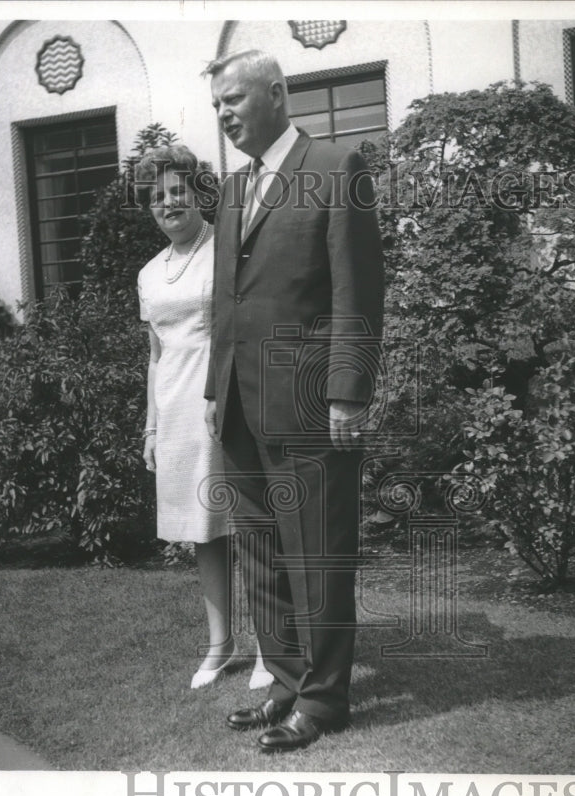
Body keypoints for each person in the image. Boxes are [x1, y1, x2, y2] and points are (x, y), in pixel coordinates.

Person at [203, 51, 385, 751]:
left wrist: (348, 393)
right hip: (241, 409)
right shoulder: (229, 191)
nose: (224, 113)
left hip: (311, 406)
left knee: (317, 554)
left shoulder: (338, 169)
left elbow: (357, 294)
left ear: (276, 94)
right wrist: (216, 390)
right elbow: (228, 301)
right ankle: (283, 683)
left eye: (234, 99)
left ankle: (323, 699)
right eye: (217, 104)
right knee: (263, 557)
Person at [135, 144, 272, 691]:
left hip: (225, 402)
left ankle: (271, 644)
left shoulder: (226, 249)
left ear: (198, 194)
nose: (167, 203)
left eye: (175, 191)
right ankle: (220, 644)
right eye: (156, 196)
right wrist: (149, 426)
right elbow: (154, 354)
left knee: (250, 523)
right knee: (203, 531)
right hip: (174, 413)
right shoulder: (148, 273)